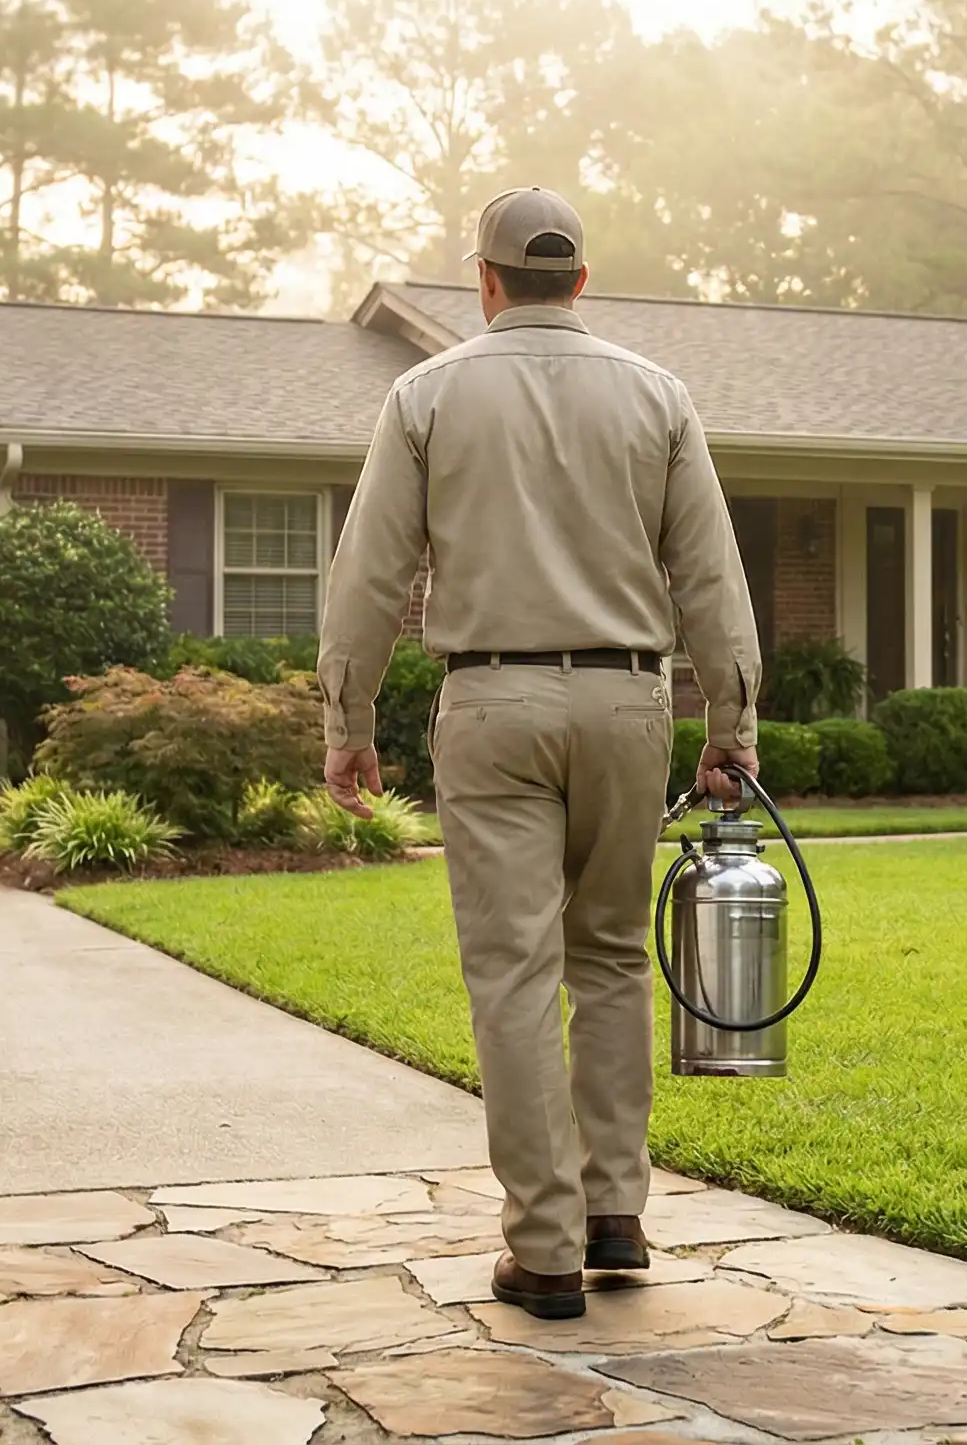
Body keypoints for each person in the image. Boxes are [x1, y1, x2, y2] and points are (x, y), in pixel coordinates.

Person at [315, 186, 761, 1320]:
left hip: (490, 703)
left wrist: (348, 722)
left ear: (485, 279)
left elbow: (368, 575)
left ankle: (546, 1249)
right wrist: (732, 727)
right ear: (581, 276)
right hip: (628, 704)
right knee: (609, 959)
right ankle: (617, 1211)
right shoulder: (656, 396)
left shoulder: (425, 395)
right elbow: (710, 575)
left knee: (515, 975)